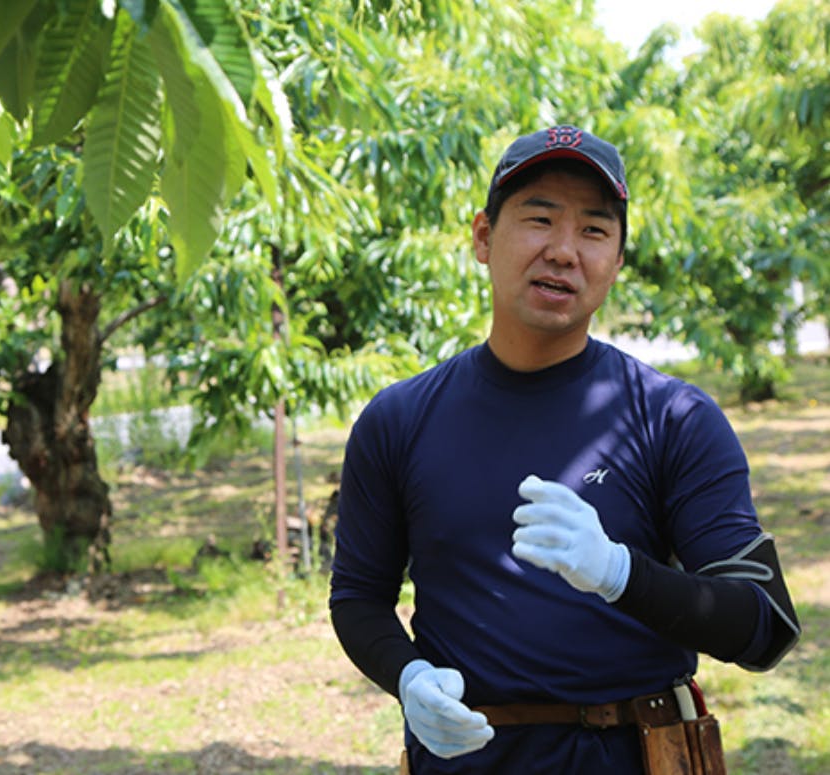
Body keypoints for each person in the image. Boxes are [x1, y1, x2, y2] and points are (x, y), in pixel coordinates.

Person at [328, 125, 801, 774]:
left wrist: (619, 573)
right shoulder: (399, 419)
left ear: (616, 260)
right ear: (482, 237)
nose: (562, 250)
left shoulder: (673, 419)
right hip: (465, 758)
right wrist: (406, 675)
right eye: (538, 218)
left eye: (593, 230)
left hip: (637, 752)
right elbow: (358, 596)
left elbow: (761, 622)